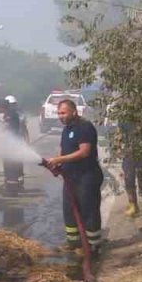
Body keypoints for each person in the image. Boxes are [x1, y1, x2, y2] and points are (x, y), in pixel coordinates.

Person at [44, 97, 104, 253]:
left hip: (86, 176)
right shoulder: (67, 129)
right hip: (71, 177)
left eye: (63, 113)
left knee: (88, 211)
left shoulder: (84, 127)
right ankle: (74, 244)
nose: (60, 116)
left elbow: (84, 152)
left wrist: (59, 159)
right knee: (69, 210)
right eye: (58, 113)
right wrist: (57, 163)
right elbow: (65, 151)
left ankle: (93, 246)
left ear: (74, 111)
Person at [0, 96, 24, 191]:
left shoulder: (9, 115)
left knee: (10, 167)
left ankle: (11, 189)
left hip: (10, 145)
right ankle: (13, 186)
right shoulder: (11, 113)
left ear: (2, 107)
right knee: (11, 166)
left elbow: (8, 128)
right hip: (9, 145)